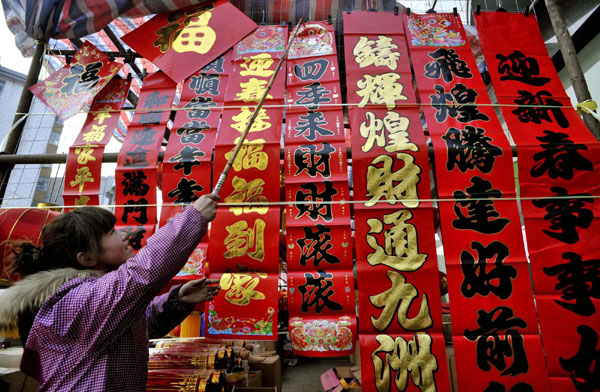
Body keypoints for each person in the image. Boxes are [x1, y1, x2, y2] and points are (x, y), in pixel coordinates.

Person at [0, 194, 221, 391]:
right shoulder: (75, 299)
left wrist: (177, 300)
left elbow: (137, 326)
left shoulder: (95, 299)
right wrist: (193, 218)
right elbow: (141, 275)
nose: (124, 235)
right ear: (87, 258)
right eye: (111, 233)